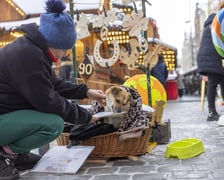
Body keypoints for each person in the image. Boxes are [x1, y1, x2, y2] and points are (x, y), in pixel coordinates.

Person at [0, 0, 106, 179]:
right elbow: (47, 100)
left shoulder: (33, 49)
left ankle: (16, 154)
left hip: (5, 113)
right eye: (64, 49)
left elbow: (51, 83)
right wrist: (84, 116)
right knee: (53, 124)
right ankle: (4, 155)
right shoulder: (29, 55)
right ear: (54, 41)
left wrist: (85, 92)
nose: (64, 54)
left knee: (47, 117)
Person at [197, 2, 224, 121]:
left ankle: (211, 111)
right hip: (214, 57)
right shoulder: (220, 21)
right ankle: (212, 112)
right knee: (217, 83)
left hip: (206, 57)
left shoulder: (211, 22)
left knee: (215, 83)